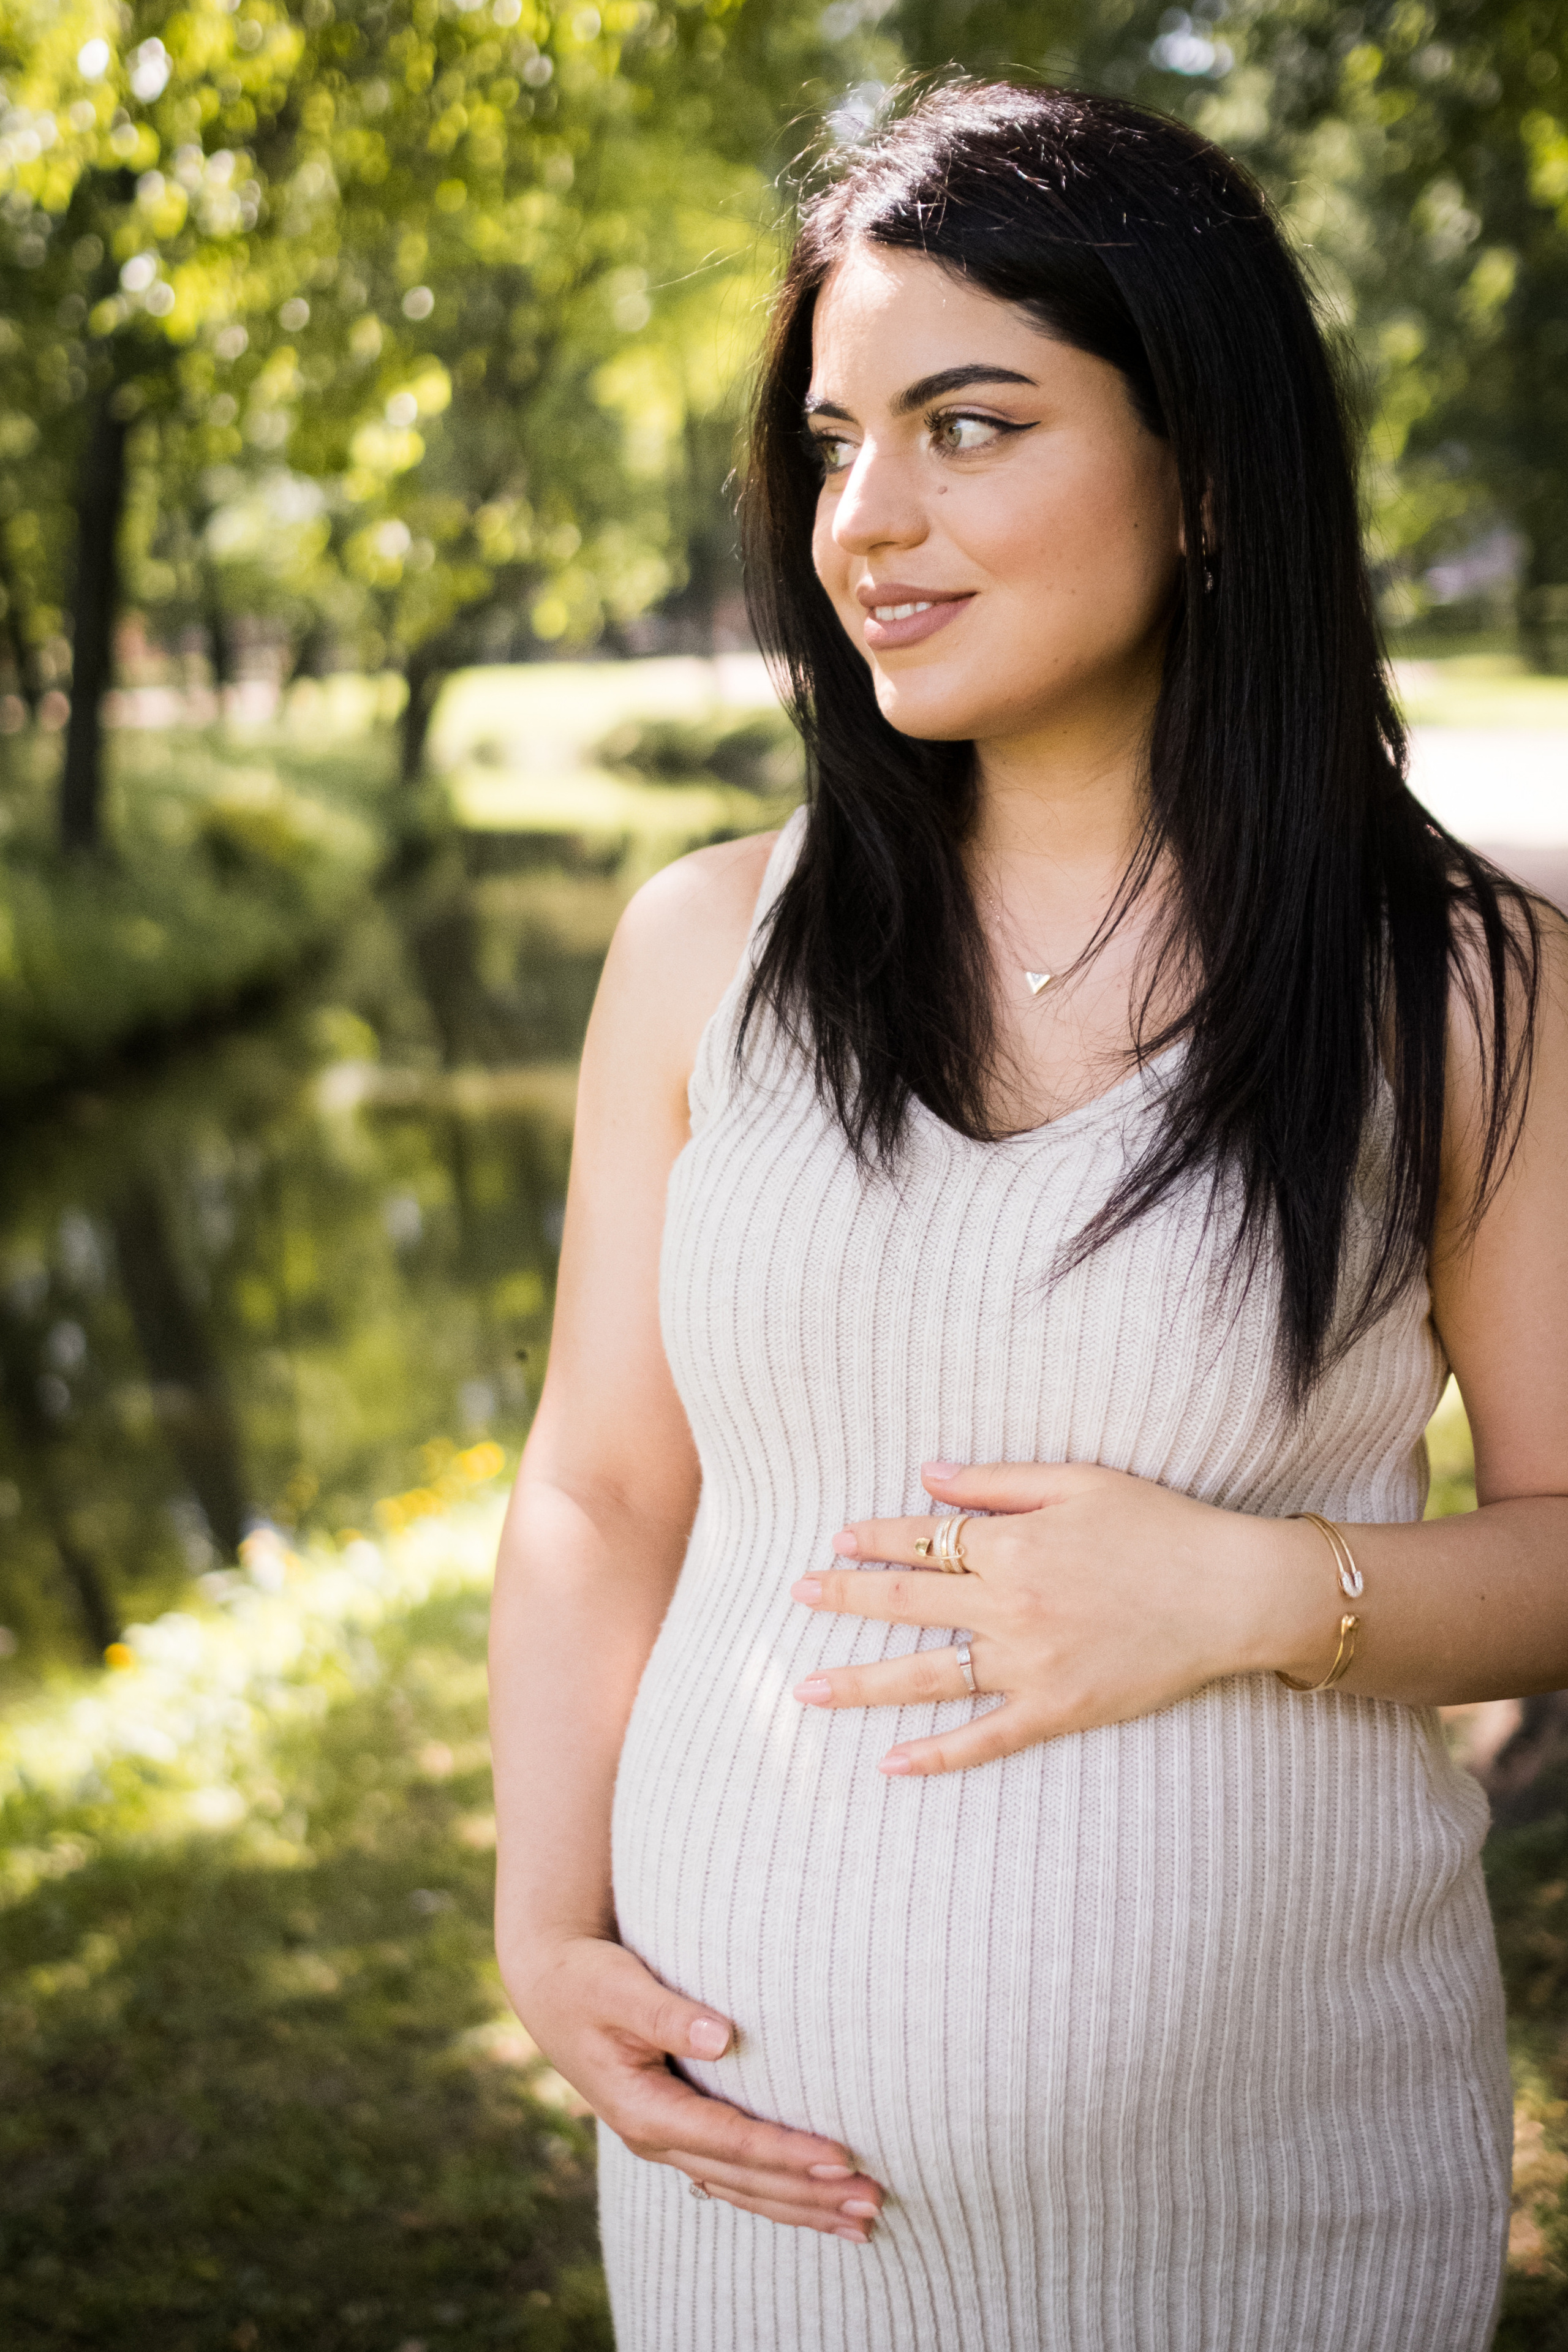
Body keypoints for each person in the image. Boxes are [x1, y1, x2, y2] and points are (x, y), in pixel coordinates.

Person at [490, 78, 1568, 2352]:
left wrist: (1263, 1591)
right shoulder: (704, 949)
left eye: (968, 424)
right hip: (750, 2224)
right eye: (830, 442)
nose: (862, 519)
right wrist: (540, 1915)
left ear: (1204, 470)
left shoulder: (1456, 986)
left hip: (1273, 2220)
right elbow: (597, 1491)